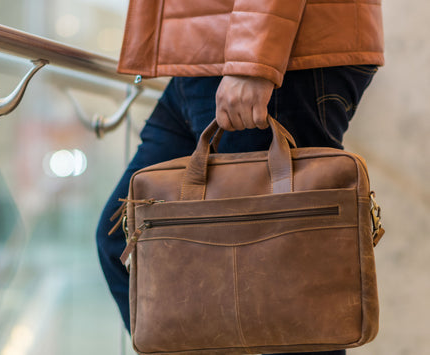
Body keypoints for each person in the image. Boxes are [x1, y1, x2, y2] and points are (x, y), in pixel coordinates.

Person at [97, 1, 384, 354]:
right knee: (123, 241)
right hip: (207, 55)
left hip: (273, 53)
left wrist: (253, 63)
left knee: (285, 285)